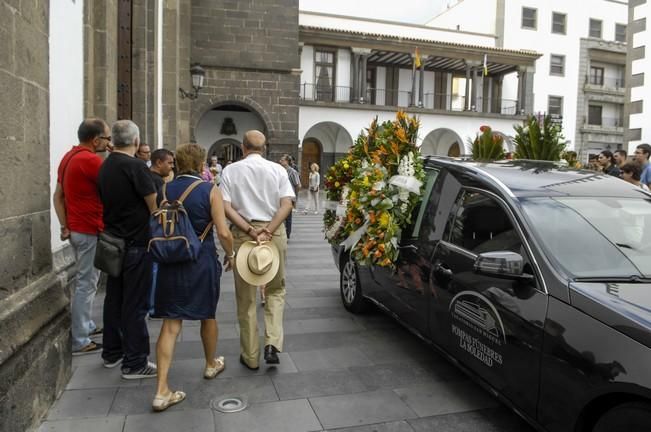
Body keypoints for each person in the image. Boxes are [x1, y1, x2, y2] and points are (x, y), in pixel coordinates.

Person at [151, 143, 235, 412]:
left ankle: (162, 390)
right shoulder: (210, 189)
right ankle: (211, 364)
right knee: (207, 314)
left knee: (171, 323)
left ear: (177, 163)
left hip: (171, 259)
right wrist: (231, 254)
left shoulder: (164, 188)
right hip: (201, 259)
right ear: (201, 165)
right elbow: (223, 231)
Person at [220, 130, 294, 369]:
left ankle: (250, 356)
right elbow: (286, 205)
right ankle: (272, 343)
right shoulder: (278, 170)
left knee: (246, 297)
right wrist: (269, 230)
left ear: (243, 147)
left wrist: (251, 231)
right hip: (274, 235)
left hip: (244, 234)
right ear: (264, 148)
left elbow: (226, 207)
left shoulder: (231, 170)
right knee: (276, 289)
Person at [97, 120, 158, 379]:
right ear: (135, 141)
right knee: (135, 304)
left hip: (113, 242)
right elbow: (153, 207)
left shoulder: (106, 165)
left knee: (114, 299)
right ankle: (134, 362)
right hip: (136, 243)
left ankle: (112, 351)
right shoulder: (135, 167)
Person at [53, 118, 111, 355]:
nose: (109, 144)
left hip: (76, 229)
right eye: (107, 139)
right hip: (88, 229)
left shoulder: (68, 157)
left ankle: (85, 325)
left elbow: (58, 196)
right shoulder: (89, 160)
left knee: (86, 281)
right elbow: (112, 184)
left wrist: (65, 226)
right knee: (86, 285)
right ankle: (80, 339)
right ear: (95, 139)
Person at [279, 154, 301, 239]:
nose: (280, 161)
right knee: (280, 216)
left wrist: (294, 197)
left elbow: (298, 185)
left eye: (282, 160)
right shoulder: (280, 170)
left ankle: (287, 235)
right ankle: (281, 233)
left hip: (288, 197)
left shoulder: (292, 172)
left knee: (288, 217)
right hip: (280, 196)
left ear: (287, 161)